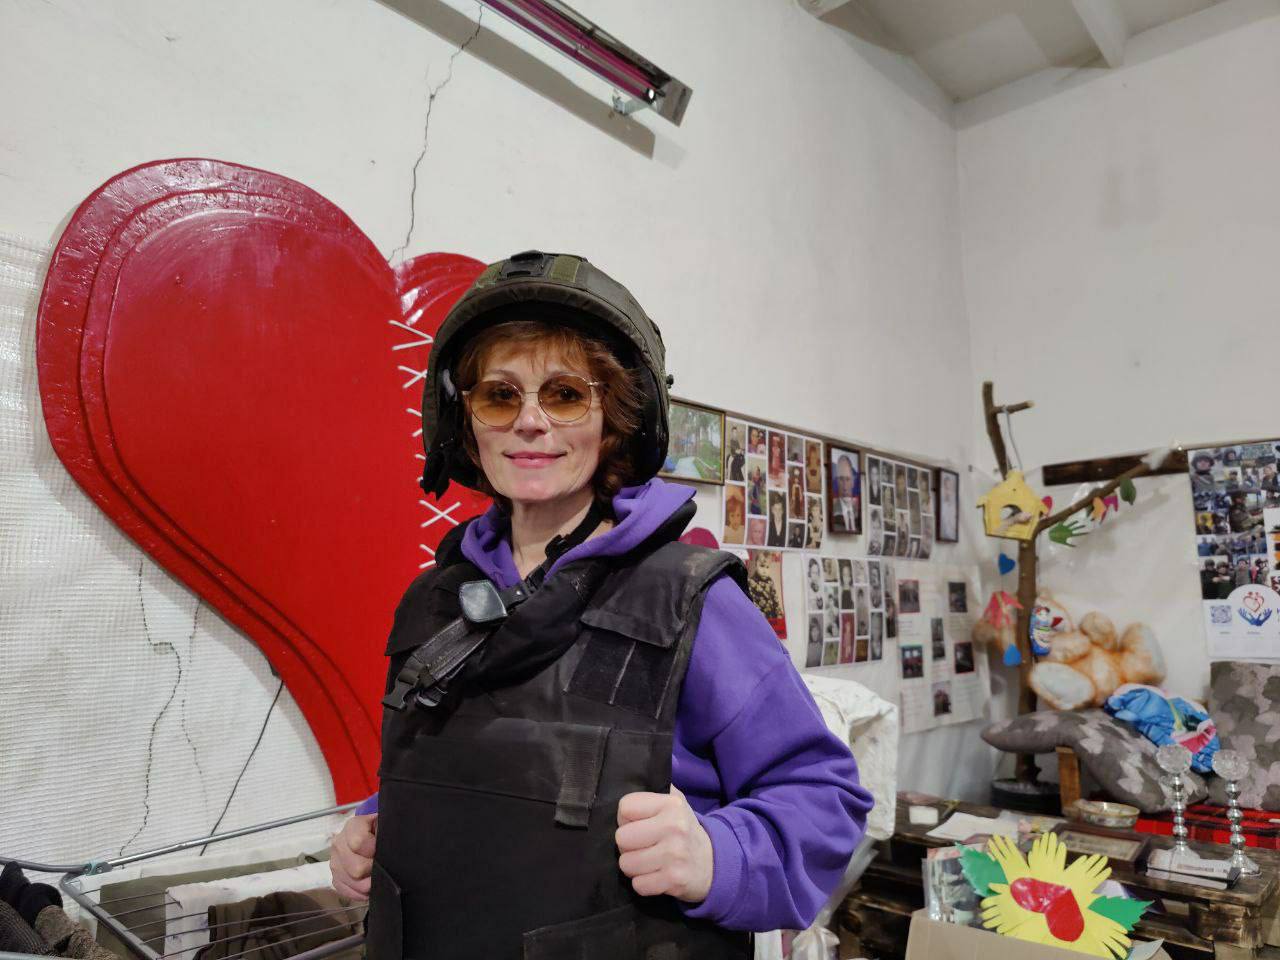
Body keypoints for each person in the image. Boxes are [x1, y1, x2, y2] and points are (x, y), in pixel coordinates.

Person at [328, 252, 871, 958]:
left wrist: (719, 854)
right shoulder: (434, 605)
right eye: (499, 396)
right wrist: (374, 827)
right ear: (466, 422)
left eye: (564, 395)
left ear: (614, 418)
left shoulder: (691, 601)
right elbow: (465, 772)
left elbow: (824, 799)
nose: (529, 422)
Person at [831, 454, 859, 532]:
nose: (844, 486)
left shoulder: (858, 508)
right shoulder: (833, 508)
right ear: (837, 481)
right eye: (841, 479)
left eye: (847, 479)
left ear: (853, 482)